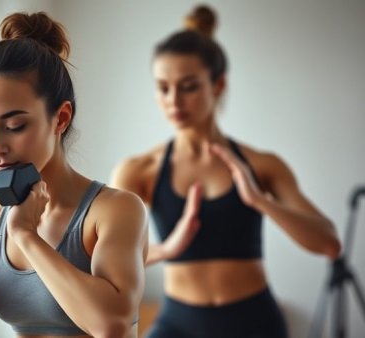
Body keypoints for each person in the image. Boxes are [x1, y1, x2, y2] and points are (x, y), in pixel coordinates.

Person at [110, 5, 341, 338]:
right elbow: (107, 259)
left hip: (255, 322)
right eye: (163, 87)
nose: (173, 100)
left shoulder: (262, 164)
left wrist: (260, 200)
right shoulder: (139, 170)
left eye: (188, 86)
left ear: (217, 85)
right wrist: (169, 248)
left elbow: (330, 243)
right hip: (178, 324)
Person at [0, 11, 148, 338]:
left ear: (61, 118)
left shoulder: (115, 210)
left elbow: (110, 325)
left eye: (15, 126)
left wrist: (27, 235)